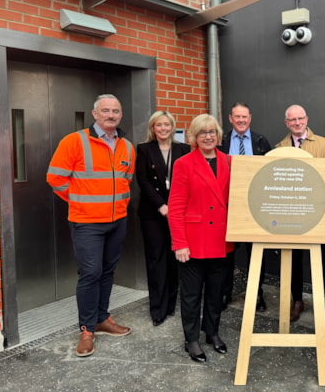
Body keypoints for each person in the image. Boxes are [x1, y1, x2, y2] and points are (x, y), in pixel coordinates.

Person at [47, 94, 134, 358]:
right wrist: (80, 202)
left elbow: (126, 179)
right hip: (86, 223)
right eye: (105, 110)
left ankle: (102, 318)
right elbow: (55, 178)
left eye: (116, 111)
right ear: (94, 114)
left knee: (107, 271)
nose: (111, 115)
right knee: (90, 274)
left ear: (120, 115)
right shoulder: (74, 141)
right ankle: (86, 329)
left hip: (117, 221)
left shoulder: (127, 146)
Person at [168, 114, 233, 363]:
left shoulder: (228, 161)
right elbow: (175, 207)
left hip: (221, 238)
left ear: (218, 135)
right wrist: (180, 243)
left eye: (212, 132)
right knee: (192, 295)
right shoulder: (184, 163)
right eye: (202, 132)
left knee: (217, 293)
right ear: (194, 137)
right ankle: (191, 339)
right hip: (193, 241)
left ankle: (212, 332)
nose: (208, 136)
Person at [276, 104, 325, 325]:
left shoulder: (323, 144)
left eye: (300, 118)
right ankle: (297, 301)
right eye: (292, 120)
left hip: (319, 211)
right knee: (293, 258)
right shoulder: (280, 147)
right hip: (292, 214)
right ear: (287, 123)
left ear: (306, 119)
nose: (296, 122)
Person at [136, 111, 190, 327]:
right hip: (153, 213)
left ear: (172, 127)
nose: (163, 129)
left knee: (174, 259)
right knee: (156, 260)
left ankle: (170, 305)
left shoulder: (183, 149)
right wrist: (161, 205)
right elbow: (143, 181)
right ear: (153, 128)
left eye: (167, 125)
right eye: (159, 125)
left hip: (178, 213)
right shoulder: (144, 149)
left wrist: (174, 208)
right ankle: (157, 309)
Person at [218, 102, 272, 312]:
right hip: (227, 204)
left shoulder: (260, 141)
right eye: (237, 117)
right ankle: (225, 293)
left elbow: (269, 172)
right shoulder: (221, 141)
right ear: (230, 119)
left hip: (254, 205)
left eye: (245, 117)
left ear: (250, 118)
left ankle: (257, 294)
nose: (241, 120)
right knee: (226, 252)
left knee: (256, 252)